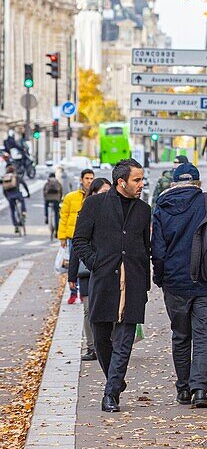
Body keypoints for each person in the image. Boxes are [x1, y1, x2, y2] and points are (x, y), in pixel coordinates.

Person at [72, 159, 150, 413]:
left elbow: (145, 246)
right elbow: (80, 240)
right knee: (101, 335)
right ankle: (114, 379)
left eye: (141, 179)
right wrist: (96, 263)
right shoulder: (95, 204)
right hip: (104, 280)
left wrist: (147, 282)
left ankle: (110, 393)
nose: (141, 184)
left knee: (125, 338)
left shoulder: (143, 209)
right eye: (136, 180)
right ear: (121, 182)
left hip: (134, 281)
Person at [152, 161, 207, 409]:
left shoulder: (162, 208)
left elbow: (158, 251)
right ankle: (200, 390)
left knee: (180, 335)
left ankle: (183, 388)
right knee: (204, 335)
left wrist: (160, 277)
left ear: (173, 184)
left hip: (175, 282)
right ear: (198, 183)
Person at [68, 178, 112, 362]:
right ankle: (92, 346)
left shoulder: (113, 213)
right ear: (93, 194)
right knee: (89, 310)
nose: (108, 196)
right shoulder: (87, 211)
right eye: (103, 192)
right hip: (88, 270)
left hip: (106, 271)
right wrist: (72, 275)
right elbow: (77, 245)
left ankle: (107, 344)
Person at [59, 168, 94, 302]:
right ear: (81, 180)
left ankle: (83, 291)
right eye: (87, 178)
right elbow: (64, 217)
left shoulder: (94, 197)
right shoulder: (71, 197)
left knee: (85, 264)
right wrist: (62, 237)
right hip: (73, 235)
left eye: (91, 178)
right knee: (73, 263)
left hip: (88, 236)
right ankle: (73, 291)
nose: (89, 181)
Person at [2, 162, 26, 233]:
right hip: (18, 195)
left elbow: (4, 190)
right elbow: (24, 184)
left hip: (10, 196)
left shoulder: (5, 177)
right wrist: (28, 193)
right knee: (22, 201)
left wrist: (7, 197)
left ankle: (15, 225)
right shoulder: (16, 176)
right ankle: (23, 212)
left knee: (12, 210)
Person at [43, 171, 63, 238]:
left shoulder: (47, 182)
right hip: (56, 199)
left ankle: (46, 216)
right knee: (57, 214)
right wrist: (59, 200)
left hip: (48, 199)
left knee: (45, 204)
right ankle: (57, 230)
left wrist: (46, 199)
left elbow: (44, 192)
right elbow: (61, 191)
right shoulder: (57, 183)